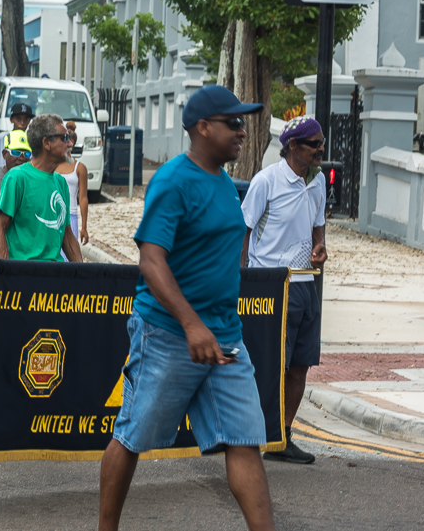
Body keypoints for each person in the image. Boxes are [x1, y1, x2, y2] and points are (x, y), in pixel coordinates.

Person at [97, 84, 274, 531]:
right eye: (233, 123)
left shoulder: (226, 184)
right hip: (168, 334)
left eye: (242, 123)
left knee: (244, 440)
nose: (242, 131)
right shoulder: (173, 181)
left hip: (225, 338)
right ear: (204, 127)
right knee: (131, 436)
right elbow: (151, 260)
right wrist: (192, 324)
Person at [241, 115, 327, 466]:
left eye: (322, 143)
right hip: (273, 287)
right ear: (293, 146)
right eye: (314, 144)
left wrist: (320, 246)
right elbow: (243, 231)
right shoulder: (266, 181)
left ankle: (282, 438)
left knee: (300, 365)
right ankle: (249, 435)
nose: (321, 149)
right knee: (270, 366)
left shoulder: (317, 182)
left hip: (307, 285)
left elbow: (318, 225)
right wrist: (242, 281)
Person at [0, 114, 82, 263]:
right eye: (65, 138)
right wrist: (6, 270)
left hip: (56, 273)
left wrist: (82, 272)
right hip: (24, 274)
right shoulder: (17, 178)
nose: (70, 143)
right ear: (46, 143)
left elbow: (67, 234)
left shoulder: (61, 183)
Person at [55, 125, 90, 245]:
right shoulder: (52, 165)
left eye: (70, 142)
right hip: (53, 213)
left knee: (70, 252)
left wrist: (84, 227)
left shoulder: (80, 168)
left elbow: (83, 198)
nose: (68, 145)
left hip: (71, 216)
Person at [0, 103, 34, 171]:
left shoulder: (31, 141)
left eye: (26, 119)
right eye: (18, 119)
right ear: (11, 119)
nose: (22, 123)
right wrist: (1, 174)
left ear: (29, 121)